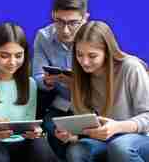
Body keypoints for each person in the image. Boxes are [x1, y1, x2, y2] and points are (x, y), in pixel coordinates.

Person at [51, 20, 149, 162]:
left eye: (92, 56)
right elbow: (86, 121)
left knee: (120, 147)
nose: (84, 62)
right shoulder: (81, 74)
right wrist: (73, 134)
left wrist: (117, 127)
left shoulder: (131, 67)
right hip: (106, 140)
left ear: (107, 52)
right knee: (77, 151)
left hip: (139, 137)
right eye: (79, 54)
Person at [0, 22, 59, 162]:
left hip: (22, 143)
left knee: (40, 145)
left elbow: (28, 123)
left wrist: (35, 133)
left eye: (18, 55)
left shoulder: (30, 83)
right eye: (4, 56)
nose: (12, 62)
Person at [32, 0, 89, 120]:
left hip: (91, 104)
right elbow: (37, 76)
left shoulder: (96, 38)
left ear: (85, 18)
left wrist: (77, 83)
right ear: (53, 15)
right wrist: (48, 82)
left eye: (73, 23)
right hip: (61, 104)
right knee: (53, 130)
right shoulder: (43, 37)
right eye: (59, 22)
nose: (66, 30)